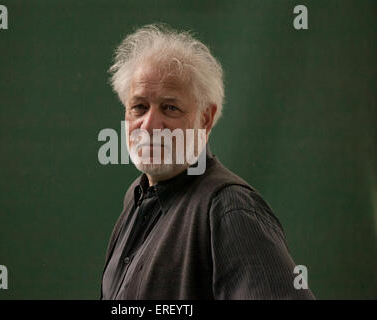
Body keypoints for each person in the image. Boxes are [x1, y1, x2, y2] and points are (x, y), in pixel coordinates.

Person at [100, 23, 315, 300]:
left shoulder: (230, 209)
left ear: (206, 118)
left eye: (170, 107)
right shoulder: (137, 196)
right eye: (139, 107)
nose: (149, 124)